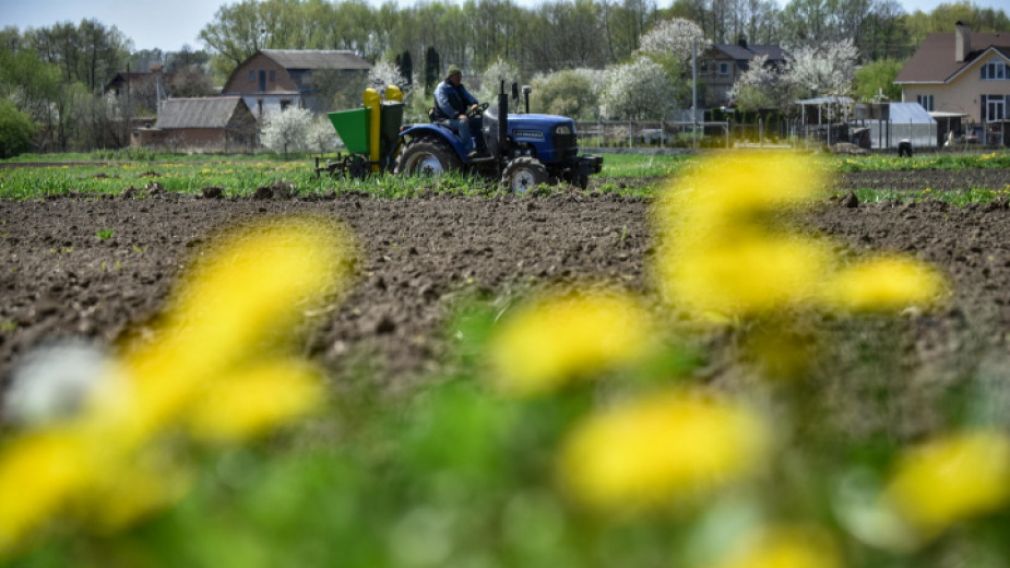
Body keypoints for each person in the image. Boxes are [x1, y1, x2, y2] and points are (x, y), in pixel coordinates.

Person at [434, 66, 481, 157]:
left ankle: (482, 148)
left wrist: (474, 103)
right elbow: (444, 105)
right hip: (444, 119)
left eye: (460, 76)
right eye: (458, 76)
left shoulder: (459, 87)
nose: (460, 78)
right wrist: (456, 115)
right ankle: (468, 151)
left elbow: (468, 96)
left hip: (459, 117)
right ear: (451, 77)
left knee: (480, 120)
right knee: (463, 123)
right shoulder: (442, 88)